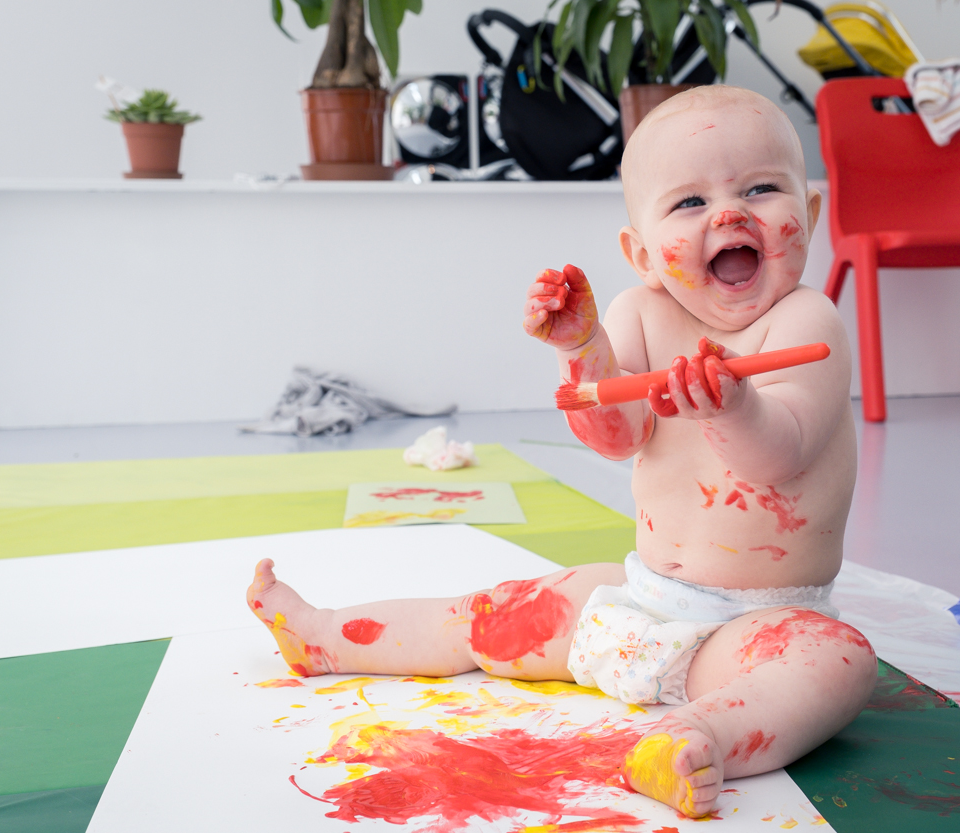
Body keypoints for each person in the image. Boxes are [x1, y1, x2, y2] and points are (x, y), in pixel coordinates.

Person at [246, 85, 877, 818]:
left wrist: (733, 409)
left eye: (761, 189)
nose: (730, 214)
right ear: (639, 253)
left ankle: (695, 735)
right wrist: (580, 350)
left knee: (835, 662)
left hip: (751, 631)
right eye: (688, 203)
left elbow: (779, 458)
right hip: (640, 602)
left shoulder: (808, 320)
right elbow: (614, 437)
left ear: (813, 211)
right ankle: (324, 637)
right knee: (480, 615)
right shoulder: (639, 313)